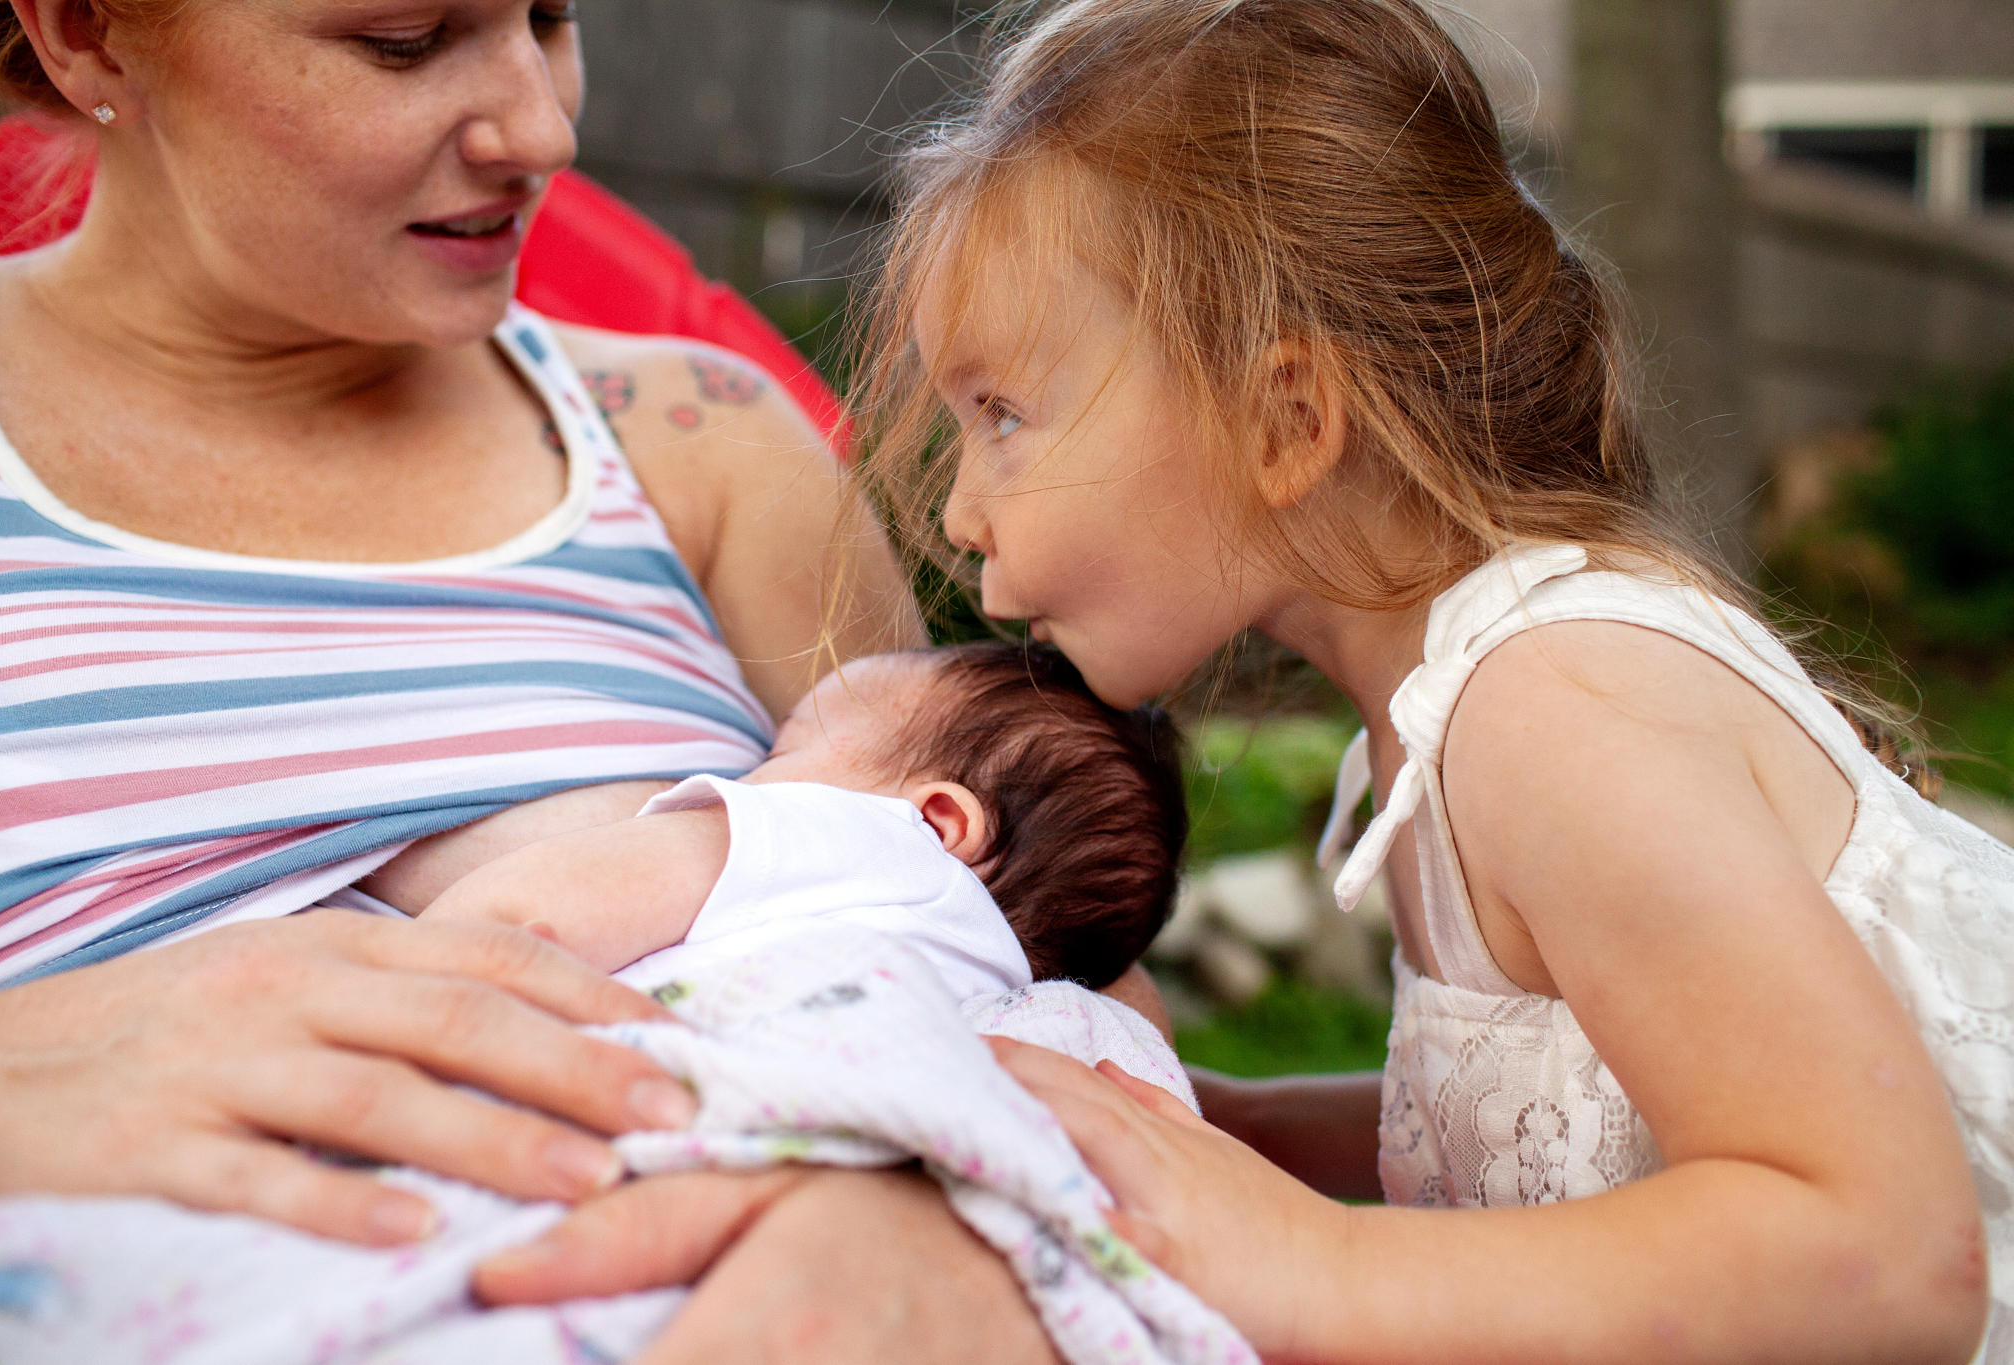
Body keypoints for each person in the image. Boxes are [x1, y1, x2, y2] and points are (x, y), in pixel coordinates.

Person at [790, 0, 2003, 1360]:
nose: (956, 512)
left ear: (1287, 419)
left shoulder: (1561, 706)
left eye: (1003, 414)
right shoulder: (1444, 718)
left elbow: (1892, 1255)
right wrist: (1239, 1128)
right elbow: (1586, 1110)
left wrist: (1322, 1254)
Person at [0, 4, 1095, 1359]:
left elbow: (1049, 950)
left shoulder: (702, 446)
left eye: (550, 15)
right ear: (90, 33)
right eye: (404, 39)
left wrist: (950, 1216)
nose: (543, 127)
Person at [422, 642, 1188, 993]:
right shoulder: (1010, 986)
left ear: (940, 821)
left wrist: (405, 970)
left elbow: (533, 908)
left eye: (789, 749)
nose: (751, 776)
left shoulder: (863, 841)